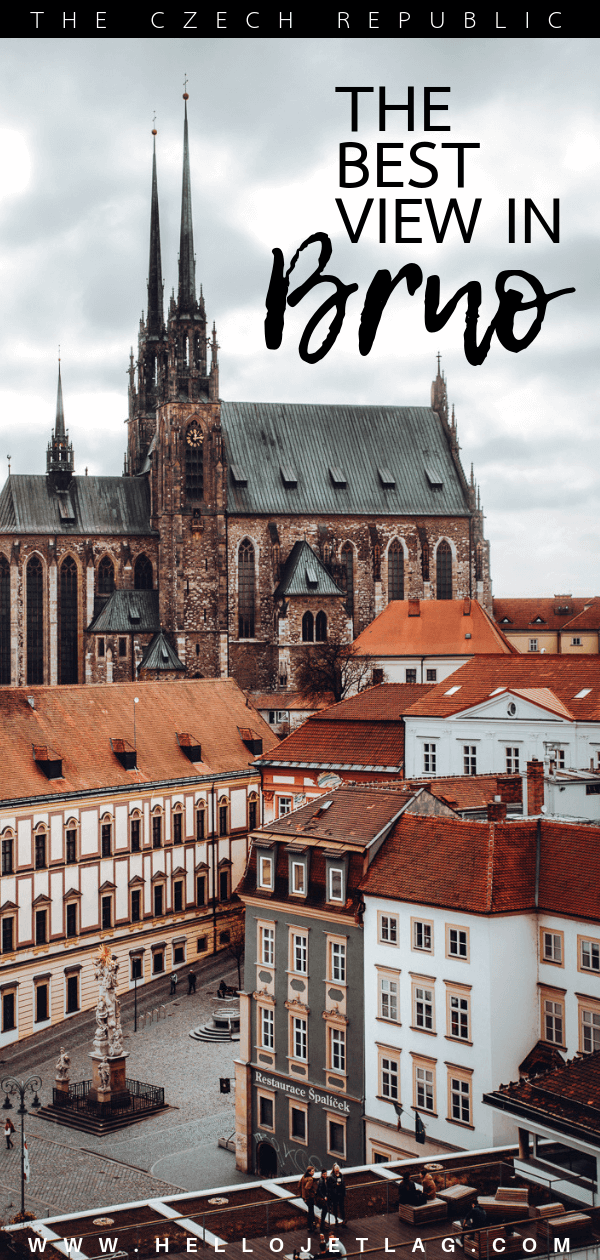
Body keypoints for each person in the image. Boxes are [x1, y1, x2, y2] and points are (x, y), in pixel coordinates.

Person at [300, 1166, 317, 1230]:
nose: (313, 1172)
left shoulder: (303, 1177)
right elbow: (307, 1188)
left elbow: (299, 1184)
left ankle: (311, 1225)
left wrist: (302, 1195)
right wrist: (307, 1197)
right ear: (309, 1172)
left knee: (310, 1210)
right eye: (312, 1171)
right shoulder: (310, 1179)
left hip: (304, 1197)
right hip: (309, 1197)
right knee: (311, 1211)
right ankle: (311, 1225)